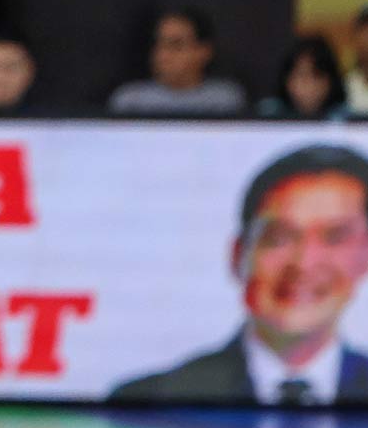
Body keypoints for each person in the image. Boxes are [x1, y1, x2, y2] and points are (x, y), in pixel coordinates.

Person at [109, 144, 368, 407]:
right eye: (279, 238)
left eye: (335, 237)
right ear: (237, 256)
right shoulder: (152, 401)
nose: (304, 262)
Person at [109, 8, 246, 116]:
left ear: (204, 51)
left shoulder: (224, 99)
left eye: (176, 45)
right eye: (159, 44)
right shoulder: (130, 100)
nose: (163, 55)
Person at [259, 36, 350, 120]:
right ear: (286, 80)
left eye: (317, 76)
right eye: (301, 75)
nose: (309, 84)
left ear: (331, 82)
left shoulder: (346, 119)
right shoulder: (268, 114)